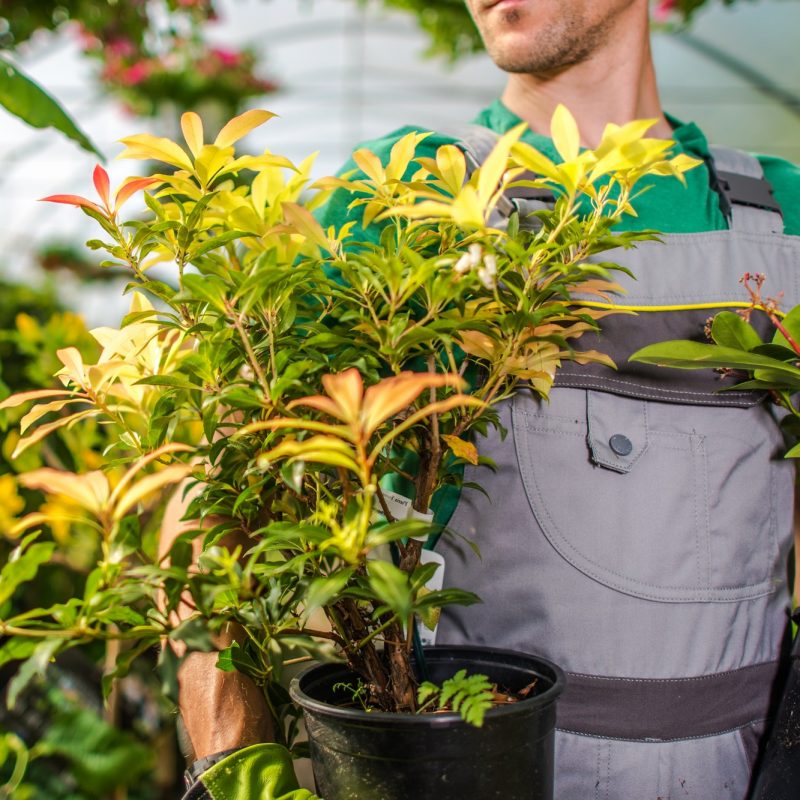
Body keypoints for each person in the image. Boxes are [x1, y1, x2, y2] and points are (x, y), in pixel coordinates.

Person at [173, 1, 800, 797]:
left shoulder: (782, 216)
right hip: (467, 767)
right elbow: (211, 471)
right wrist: (232, 760)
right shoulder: (405, 191)